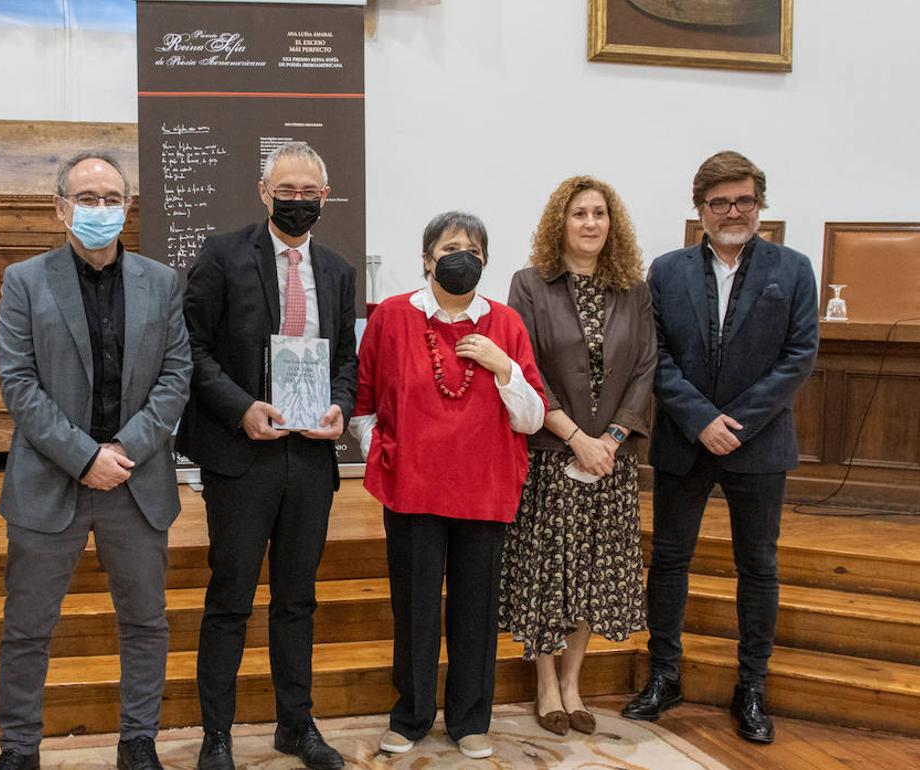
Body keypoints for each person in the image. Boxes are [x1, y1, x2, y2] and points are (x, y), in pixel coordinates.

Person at [0, 152, 192, 770]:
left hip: (136, 479)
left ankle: (138, 739)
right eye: (86, 197)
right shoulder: (24, 281)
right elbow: (18, 384)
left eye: (110, 197)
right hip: (51, 477)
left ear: (128, 206)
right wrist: (84, 457)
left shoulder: (161, 281)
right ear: (60, 207)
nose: (99, 208)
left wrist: (123, 450)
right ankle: (19, 748)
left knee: (144, 621)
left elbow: (176, 375)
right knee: (27, 626)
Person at [621, 151, 818, 744]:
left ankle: (751, 687)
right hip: (684, 441)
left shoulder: (795, 267)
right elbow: (656, 355)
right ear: (699, 208)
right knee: (670, 562)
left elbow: (799, 355)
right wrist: (702, 419)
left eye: (745, 201)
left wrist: (736, 422)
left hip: (758, 447)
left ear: (760, 204)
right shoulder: (666, 269)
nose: (733, 212)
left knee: (757, 566)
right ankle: (663, 676)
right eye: (720, 203)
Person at [179, 141, 357, 770]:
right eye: (289, 189)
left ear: (325, 197)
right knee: (230, 597)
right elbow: (192, 347)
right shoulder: (223, 255)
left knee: (297, 599)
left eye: (312, 192)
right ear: (264, 191)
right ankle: (217, 736)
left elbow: (345, 359)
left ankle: (296, 724)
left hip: (310, 459)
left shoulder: (337, 269)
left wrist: (338, 406)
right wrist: (239, 408)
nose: (299, 200)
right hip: (242, 455)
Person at [350, 211, 545, 760]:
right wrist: (383, 452)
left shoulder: (505, 324)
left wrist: (503, 368)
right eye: (451, 246)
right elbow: (364, 401)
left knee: (475, 608)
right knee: (414, 608)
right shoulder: (391, 317)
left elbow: (531, 419)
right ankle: (409, 716)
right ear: (427, 256)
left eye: (474, 249)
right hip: (411, 487)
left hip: (483, 489)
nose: (464, 256)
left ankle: (469, 720)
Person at [500, 177, 656, 736]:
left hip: (609, 463)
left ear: (612, 224)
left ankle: (573, 682)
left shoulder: (633, 289)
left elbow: (645, 368)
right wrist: (576, 438)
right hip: (550, 453)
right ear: (558, 223)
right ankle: (545, 685)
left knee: (593, 571)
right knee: (547, 572)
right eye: (578, 214)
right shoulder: (530, 285)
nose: (590, 223)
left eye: (599, 214)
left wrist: (610, 441)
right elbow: (525, 371)